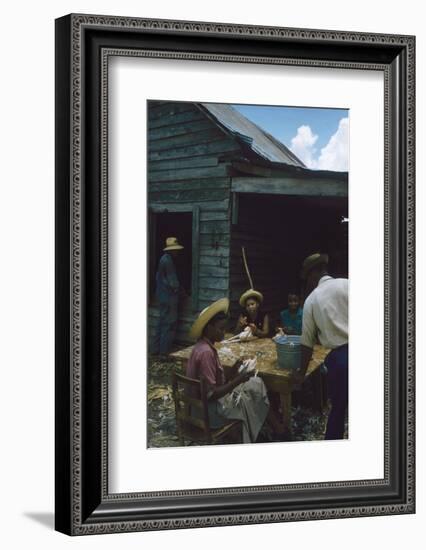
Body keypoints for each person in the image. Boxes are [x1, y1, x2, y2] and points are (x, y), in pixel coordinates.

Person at [187, 298, 283, 443]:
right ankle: (264, 433)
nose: (224, 332)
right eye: (220, 328)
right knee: (253, 394)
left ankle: (266, 430)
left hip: (203, 406)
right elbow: (211, 394)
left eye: (224, 328)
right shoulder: (206, 353)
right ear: (208, 329)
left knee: (256, 384)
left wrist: (235, 367)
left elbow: (215, 380)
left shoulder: (202, 346)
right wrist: (239, 379)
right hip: (209, 411)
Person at [293, 253, 348, 440]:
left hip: (341, 359)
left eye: (307, 278)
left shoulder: (312, 300)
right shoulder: (347, 284)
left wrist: (301, 374)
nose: (307, 283)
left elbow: (306, 343)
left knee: (338, 409)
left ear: (313, 274)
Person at [152, 237, 184, 356]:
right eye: (175, 250)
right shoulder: (168, 261)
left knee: (161, 322)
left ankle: (155, 349)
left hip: (162, 297)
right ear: (170, 250)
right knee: (169, 325)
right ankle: (163, 354)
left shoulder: (162, 259)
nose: (177, 252)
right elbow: (173, 283)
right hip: (169, 298)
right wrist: (181, 292)